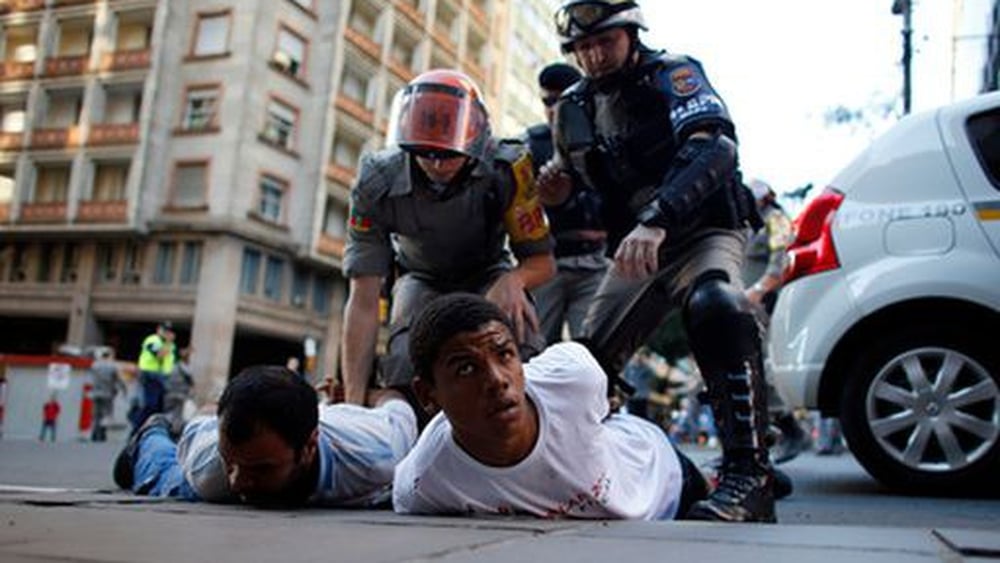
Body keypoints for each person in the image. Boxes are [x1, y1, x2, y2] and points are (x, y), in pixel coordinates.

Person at [541, 0, 775, 522]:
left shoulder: (675, 73)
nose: (595, 56)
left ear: (632, 34)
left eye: (605, 42)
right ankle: (577, 470)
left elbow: (714, 149)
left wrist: (658, 215)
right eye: (583, 47)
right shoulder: (574, 107)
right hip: (636, 247)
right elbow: (574, 181)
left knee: (717, 304)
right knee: (581, 365)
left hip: (701, 228)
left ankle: (749, 475)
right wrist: (555, 191)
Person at [340, 69, 556, 408]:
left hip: (489, 271)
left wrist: (515, 280)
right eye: (426, 152)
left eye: (449, 154)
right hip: (420, 276)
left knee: (519, 336)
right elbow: (364, 296)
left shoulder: (509, 168)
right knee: (405, 358)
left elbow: (542, 262)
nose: (437, 165)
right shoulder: (376, 180)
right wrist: (352, 405)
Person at [393, 293, 709, 519]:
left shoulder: (574, 378)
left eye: (504, 355)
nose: (497, 380)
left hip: (664, 474)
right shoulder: (424, 482)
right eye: (465, 369)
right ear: (427, 395)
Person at [112, 365, 418, 508]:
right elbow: (207, 414)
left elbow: (397, 404)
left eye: (262, 468)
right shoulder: (209, 469)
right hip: (202, 441)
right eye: (231, 463)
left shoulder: (380, 454)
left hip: (344, 422)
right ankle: (151, 435)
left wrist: (366, 392)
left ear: (309, 448)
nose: (238, 482)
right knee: (174, 482)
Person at [525, 62, 609, 344]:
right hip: (547, 260)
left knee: (592, 355)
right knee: (535, 351)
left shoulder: (606, 137)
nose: (553, 109)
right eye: (547, 101)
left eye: (560, 100)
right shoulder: (531, 145)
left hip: (597, 262)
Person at [742, 178, 811, 465]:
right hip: (742, 303)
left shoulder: (778, 220)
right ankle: (760, 439)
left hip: (765, 303)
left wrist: (759, 290)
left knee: (760, 366)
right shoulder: (748, 223)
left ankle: (789, 428)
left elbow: (780, 262)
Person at [133, 321, 176, 431]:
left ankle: (151, 428)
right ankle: (137, 428)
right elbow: (159, 355)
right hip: (149, 374)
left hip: (161, 376)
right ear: (159, 330)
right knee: (150, 404)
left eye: (169, 331)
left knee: (159, 406)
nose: (167, 333)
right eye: (165, 331)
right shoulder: (152, 340)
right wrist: (168, 342)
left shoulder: (168, 344)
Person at [90, 348, 126, 442]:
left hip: (96, 393)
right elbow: (119, 380)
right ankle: (102, 435)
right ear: (109, 356)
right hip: (107, 394)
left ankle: (94, 434)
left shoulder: (95, 365)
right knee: (106, 414)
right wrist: (123, 389)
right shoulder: (112, 366)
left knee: (96, 414)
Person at [163, 346, 194, 435]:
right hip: (180, 395)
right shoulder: (185, 368)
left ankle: (167, 428)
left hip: (169, 393)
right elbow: (190, 381)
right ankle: (174, 430)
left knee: (169, 412)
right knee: (178, 414)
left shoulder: (173, 366)